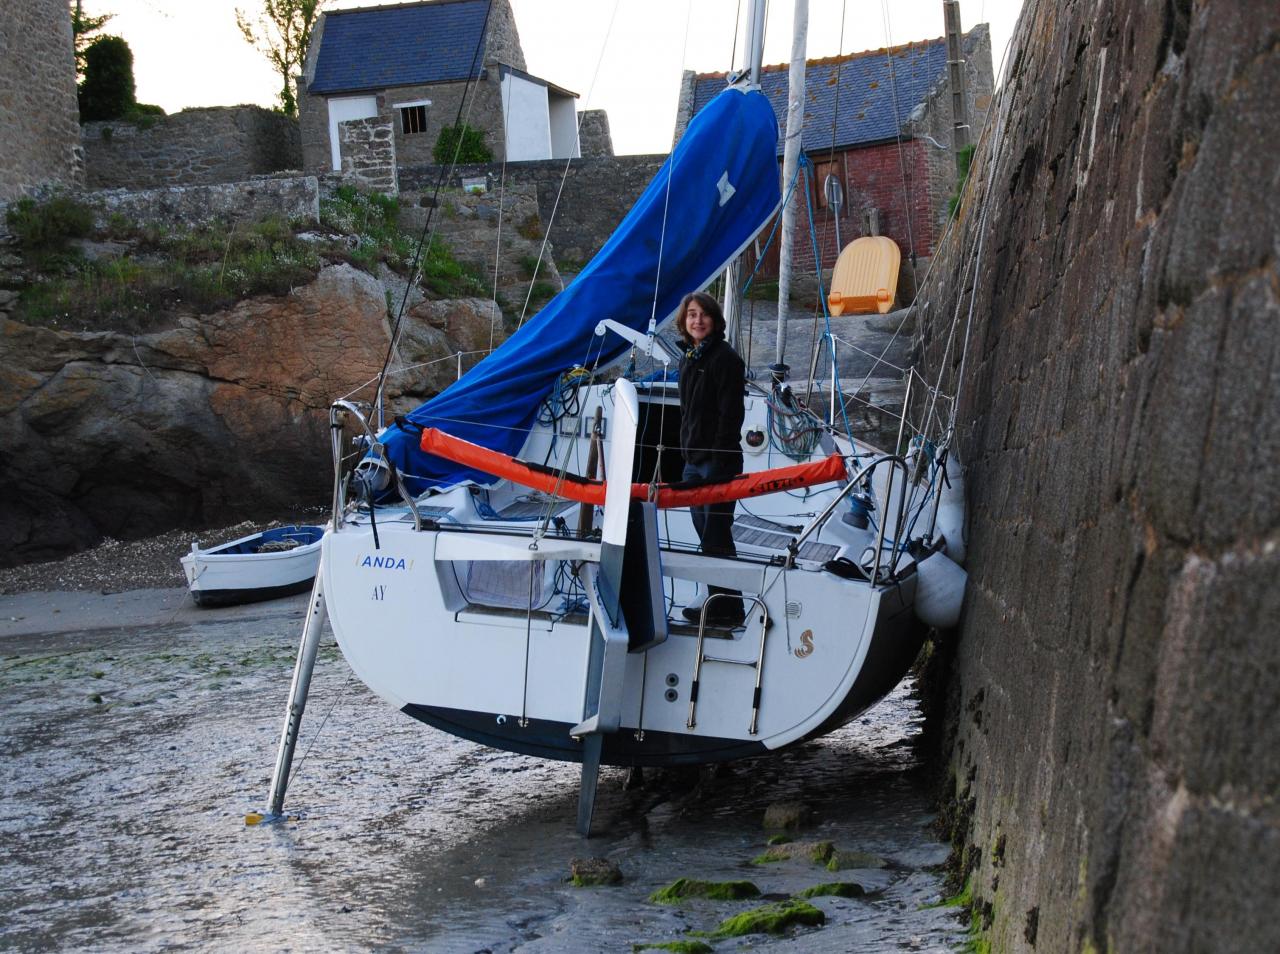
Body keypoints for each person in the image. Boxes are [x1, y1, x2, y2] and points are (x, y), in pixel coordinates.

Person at [675, 292, 746, 625]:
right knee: (704, 531)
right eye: (691, 315)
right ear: (684, 322)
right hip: (693, 460)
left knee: (716, 533)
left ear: (715, 320)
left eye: (703, 314)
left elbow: (731, 415)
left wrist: (718, 462)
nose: (697, 320)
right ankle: (719, 599)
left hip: (718, 462)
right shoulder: (689, 358)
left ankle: (726, 604)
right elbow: (687, 413)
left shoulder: (725, 359)